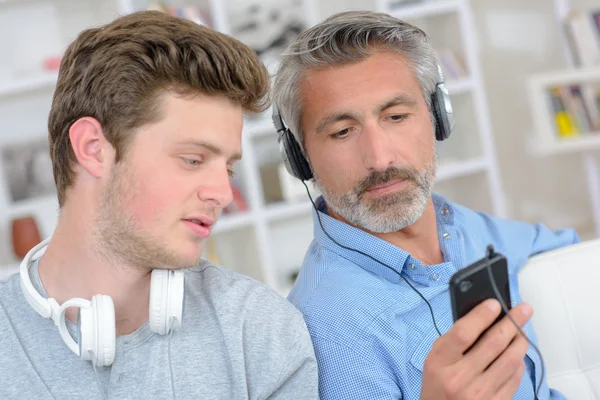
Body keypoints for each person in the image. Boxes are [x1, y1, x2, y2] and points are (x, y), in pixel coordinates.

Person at [0, 11, 318, 399]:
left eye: (228, 168)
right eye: (193, 160)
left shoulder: (260, 330)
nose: (220, 192)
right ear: (93, 149)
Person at [272, 10, 578, 400]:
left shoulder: (461, 226)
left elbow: (566, 252)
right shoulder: (326, 330)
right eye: (342, 131)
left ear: (437, 116)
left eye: (396, 116)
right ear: (300, 158)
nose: (379, 159)